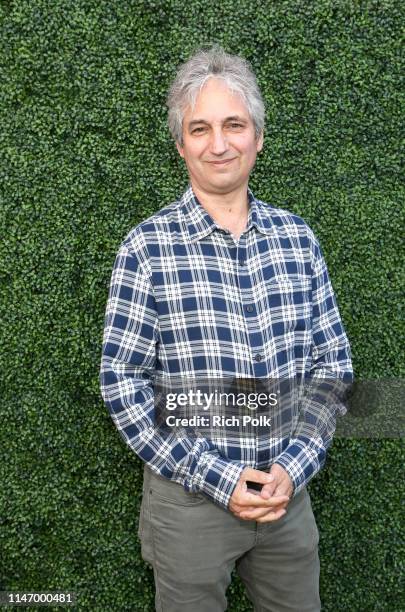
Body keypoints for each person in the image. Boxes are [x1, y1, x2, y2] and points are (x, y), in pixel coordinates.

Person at [100, 45, 353, 612]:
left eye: (234, 125)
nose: (219, 144)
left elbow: (331, 368)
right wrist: (218, 476)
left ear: (258, 137)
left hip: (287, 503)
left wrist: (294, 466)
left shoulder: (298, 239)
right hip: (189, 507)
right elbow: (122, 381)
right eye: (201, 128)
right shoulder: (147, 249)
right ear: (181, 144)